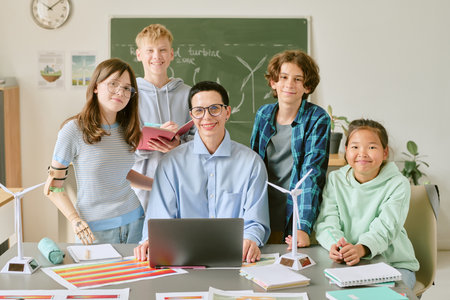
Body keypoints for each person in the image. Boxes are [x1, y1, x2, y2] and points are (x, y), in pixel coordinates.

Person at [134, 81, 270, 263]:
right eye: (199, 110)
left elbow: (256, 221)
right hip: (182, 260)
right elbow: (159, 220)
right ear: (192, 116)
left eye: (215, 108)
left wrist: (251, 240)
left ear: (227, 112)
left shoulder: (251, 163)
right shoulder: (170, 163)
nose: (207, 117)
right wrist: (152, 241)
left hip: (235, 259)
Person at [43, 58, 153, 245]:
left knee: (136, 275)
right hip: (94, 229)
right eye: (113, 84)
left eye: (127, 88)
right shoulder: (74, 130)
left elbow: (121, 172)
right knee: (98, 275)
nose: (121, 91)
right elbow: (53, 188)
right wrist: (75, 219)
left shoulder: (129, 128)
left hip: (136, 220)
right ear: (96, 86)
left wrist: (160, 185)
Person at [314, 119, 419, 290]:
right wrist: (336, 245)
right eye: (355, 147)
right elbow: (327, 219)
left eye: (371, 147)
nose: (362, 153)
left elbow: (386, 227)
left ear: (385, 152)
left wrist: (361, 248)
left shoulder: (398, 184)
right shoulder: (335, 180)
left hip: (393, 264)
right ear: (346, 150)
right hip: (347, 265)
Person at [251, 50, 330, 247]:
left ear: (307, 87)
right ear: (273, 82)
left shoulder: (317, 118)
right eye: (284, 77)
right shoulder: (263, 115)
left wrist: (302, 227)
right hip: (263, 212)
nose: (289, 84)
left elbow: (312, 174)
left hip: (297, 213)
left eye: (298, 79)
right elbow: (252, 165)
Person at [132, 24, 193, 210]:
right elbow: (122, 146)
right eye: (149, 50)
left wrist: (178, 145)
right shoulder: (128, 96)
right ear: (139, 54)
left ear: (172, 54)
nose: (157, 56)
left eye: (163, 50)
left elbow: (202, 139)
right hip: (140, 193)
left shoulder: (190, 94)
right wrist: (153, 141)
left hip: (183, 189)